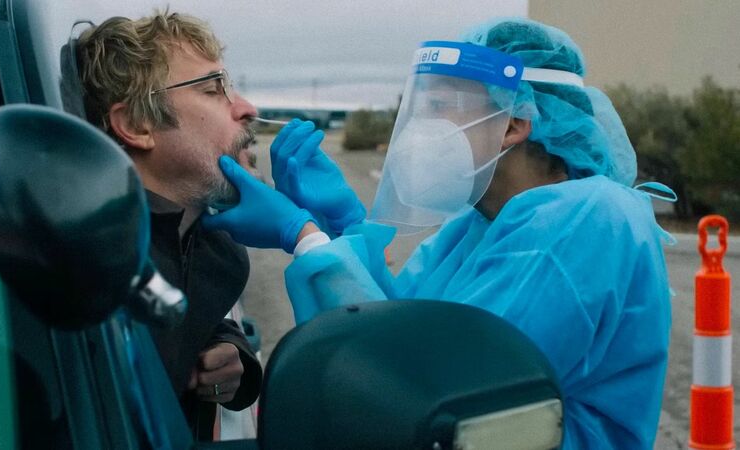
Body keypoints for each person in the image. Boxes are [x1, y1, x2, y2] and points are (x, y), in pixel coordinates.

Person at [202, 18, 672, 449]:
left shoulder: (585, 220)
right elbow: (399, 322)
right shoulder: (480, 222)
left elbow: (434, 390)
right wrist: (341, 223)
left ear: (512, 124)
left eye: (441, 107)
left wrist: (303, 235)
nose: (419, 129)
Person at [75, 11, 263, 440]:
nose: (247, 108)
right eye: (213, 88)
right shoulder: (89, 262)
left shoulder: (214, 244)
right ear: (136, 125)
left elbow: (180, 302)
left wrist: (231, 349)